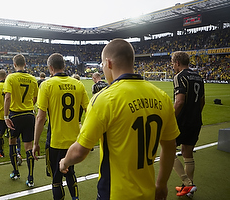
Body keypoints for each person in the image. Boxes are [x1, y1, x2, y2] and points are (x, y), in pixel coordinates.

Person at [59, 39, 179, 200]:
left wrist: (65, 162)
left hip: (115, 193)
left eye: (102, 64)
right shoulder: (162, 97)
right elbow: (170, 147)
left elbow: (80, 151)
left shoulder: (104, 99)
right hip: (149, 192)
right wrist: (162, 184)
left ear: (108, 63)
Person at [33, 53, 89, 200]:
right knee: (70, 172)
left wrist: (35, 143)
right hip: (74, 141)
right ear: (64, 66)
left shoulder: (46, 85)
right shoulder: (78, 84)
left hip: (55, 141)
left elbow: (40, 118)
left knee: (56, 179)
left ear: (51, 68)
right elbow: (89, 112)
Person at [171, 51, 205, 198]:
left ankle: (188, 183)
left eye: (173, 63)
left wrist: (170, 119)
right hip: (195, 120)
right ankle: (187, 188)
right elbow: (202, 101)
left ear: (177, 62)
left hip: (182, 121)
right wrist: (195, 115)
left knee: (169, 151)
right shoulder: (198, 77)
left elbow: (179, 101)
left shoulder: (179, 76)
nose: (172, 66)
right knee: (187, 152)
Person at [3, 54, 38, 187]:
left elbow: (7, 98)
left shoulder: (11, 77)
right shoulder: (32, 79)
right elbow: (34, 99)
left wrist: (6, 116)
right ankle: (30, 178)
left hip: (15, 116)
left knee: (12, 143)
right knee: (28, 147)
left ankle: (16, 172)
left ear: (14, 64)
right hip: (29, 115)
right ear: (25, 63)